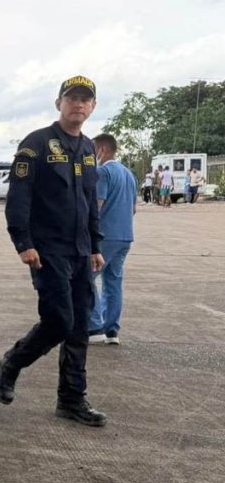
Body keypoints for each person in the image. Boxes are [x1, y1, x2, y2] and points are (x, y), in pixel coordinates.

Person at [0, 75, 107, 427]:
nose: (79, 105)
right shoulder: (37, 144)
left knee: (79, 326)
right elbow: (20, 196)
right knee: (59, 321)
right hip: (48, 251)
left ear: (93, 107)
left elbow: (89, 202)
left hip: (81, 251)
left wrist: (96, 246)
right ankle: (11, 363)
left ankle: (72, 399)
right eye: (72, 98)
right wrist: (23, 242)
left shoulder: (89, 149)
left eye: (85, 100)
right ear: (59, 103)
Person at [88, 133, 136, 346]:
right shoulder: (129, 174)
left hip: (105, 236)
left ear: (101, 151)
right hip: (125, 236)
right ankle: (112, 330)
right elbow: (133, 209)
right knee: (113, 282)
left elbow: (96, 206)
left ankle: (94, 326)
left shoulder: (102, 172)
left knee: (86, 279)